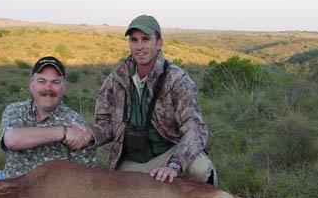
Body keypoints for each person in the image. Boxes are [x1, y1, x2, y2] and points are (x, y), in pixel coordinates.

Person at [69, 15, 216, 185]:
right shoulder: (116, 79)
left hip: (168, 154)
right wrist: (89, 134)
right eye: (134, 40)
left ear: (159, 43)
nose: (139, 47)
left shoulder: (177, 79)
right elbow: (107, 124)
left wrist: (175, 165)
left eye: (145, 39)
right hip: (131, 161)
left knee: (200, 169)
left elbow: (194, 128)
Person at [0, 56, 96, 179]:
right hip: (9, 182)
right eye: (41, 81)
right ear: (31, 85)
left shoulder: (75, 122)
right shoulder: (16, 109)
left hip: (49, 195)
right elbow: (11, 140)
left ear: (64, 87)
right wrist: (62, 132)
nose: (48, 88)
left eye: (55, 82)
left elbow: (86, 179)